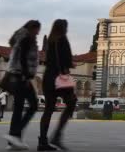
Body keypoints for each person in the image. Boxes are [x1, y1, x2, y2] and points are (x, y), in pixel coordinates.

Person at [39, 19, 77, 151]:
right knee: (71, 102)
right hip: (60, 78)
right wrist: (71, 64)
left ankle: (42, 142)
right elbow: (66, 61)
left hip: (48, 77)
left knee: (48, 109)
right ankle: (57, 135)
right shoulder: (63, 40)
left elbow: (51, 59)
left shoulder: (50, 41)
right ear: (63, 28)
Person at [4, 20, 41, 150]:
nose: (38, 32)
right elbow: (23, 58)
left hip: (16, 75)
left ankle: (13, 141)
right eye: (37, 29)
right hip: (22, 76)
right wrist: (26, 75)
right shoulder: (27, 38)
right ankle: (14, 135)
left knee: (18, 109)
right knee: (33, 105)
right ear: (33, 28)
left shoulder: (19, 37)